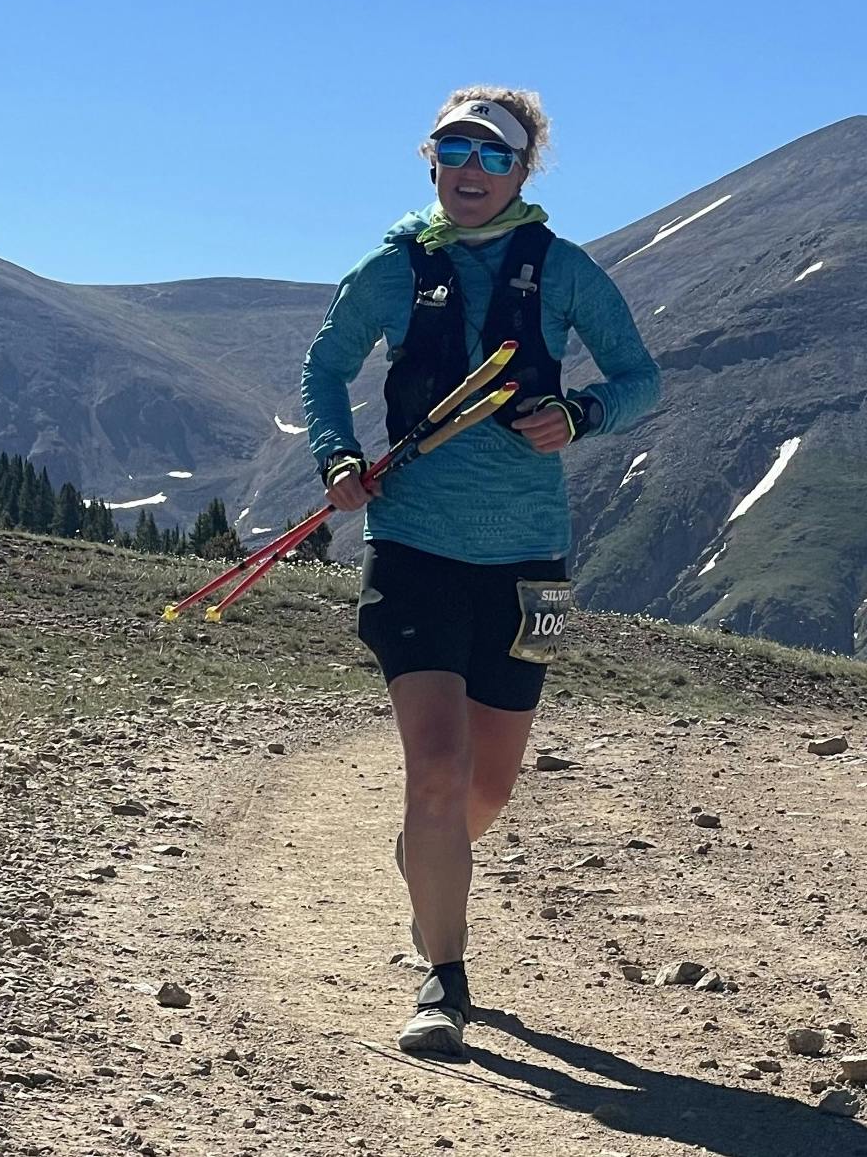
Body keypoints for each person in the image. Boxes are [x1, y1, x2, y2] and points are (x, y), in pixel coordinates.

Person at [300, 87, 660, 1058]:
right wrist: (337, 459)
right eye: (453, 150)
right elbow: (323, 369)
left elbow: (642, 378)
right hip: (411, 550)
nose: (470, 169)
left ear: (522, 170)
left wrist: (582, 416)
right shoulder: (392, 269)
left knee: (487, 791)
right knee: (437, 770)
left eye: (493, 155)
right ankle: (444, 980)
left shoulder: (564, 270)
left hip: (531, 564)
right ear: (430, 162)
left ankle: (428, 853)